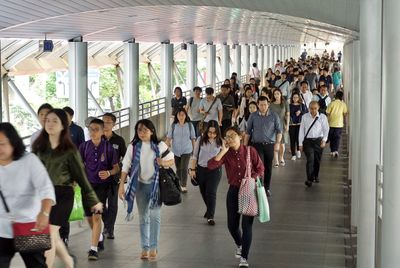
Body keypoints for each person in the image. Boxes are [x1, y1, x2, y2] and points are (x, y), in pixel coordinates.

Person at [32, 109, 102, 268]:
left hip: (63, 195)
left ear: (64, 125)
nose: (49, 123)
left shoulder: (70, 151)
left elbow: (82, 178)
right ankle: (69, 262)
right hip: (44, 197)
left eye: (54, 121)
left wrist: (94, 201)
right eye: (47, 120)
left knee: (49, 234)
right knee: (53, 234)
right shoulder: (38, 147)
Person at [0, 122, 55, 268]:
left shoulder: (29, 161)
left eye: (2, 144)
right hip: (1, 227)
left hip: (29, 224)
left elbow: (46, 189)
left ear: (13, 142)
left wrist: (44, 212)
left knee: (35, 265)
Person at [208, 126, 264, 268]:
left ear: (240, 136)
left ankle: (244, 257)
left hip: (249, 191)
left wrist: (251, 178)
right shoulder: (226, 154)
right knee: (232, 226)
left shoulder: (250, 151)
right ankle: (240, 244)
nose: (229, 139)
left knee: (246, 226)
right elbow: (211, 165)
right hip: (233, 191)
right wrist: (222, 151)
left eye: (232, 136)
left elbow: (261, 168)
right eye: (227, 136)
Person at [118, 119, 174, 261]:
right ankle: (145, 247)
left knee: (155, 216)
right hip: (139, 186)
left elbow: (172, 160)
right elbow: (125, 166)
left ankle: (153, 247)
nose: (142, 132)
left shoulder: (160, 145)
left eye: (145, 129)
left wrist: (163, 162)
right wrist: (121, 186)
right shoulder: (133, 147)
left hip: (156, 186)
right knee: (143, 217)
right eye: (139, 130)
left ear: (152, 130)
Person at [79, 119, 119, 260]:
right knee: (89, 217)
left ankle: (93, 249)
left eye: (96, 129)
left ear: (103, 131)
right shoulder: (84, 147)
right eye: (90, 129)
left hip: (102, 187)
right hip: (87, 186)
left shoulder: (108, 148)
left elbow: (116, 168)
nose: (92, 132)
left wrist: (109, 173)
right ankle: (100, 237)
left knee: (97, 216)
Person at [244, 96, 282, 197]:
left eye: (265, 104)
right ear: (257, 105)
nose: (263, 107)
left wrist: (277, 143)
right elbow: (247, 132)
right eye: (261, 105)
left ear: (268, 104)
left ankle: (267, 187)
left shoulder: (274, 116)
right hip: (256, 145)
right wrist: (244, 146)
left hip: (269, 145)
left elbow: (279, 131)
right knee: (259, 167)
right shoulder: (253, 116)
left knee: (268, 167)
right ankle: (259, 187)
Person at [60, 106, 85, 246]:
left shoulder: (78, 130)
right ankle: (59, 235)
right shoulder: (58, 129)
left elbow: (81, 149)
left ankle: (64, 236)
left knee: (65, 204)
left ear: (71, 116)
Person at [189, 120, 223, 226]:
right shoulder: (200, 140)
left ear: (217, 132)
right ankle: (209, 209)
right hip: (201, 169)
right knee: (204, 192)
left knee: (211, 192)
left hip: (215, 171)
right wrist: (192, 169)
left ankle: (210, 216)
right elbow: (194, 156)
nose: (212, 135)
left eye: (214, 132)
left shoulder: (221, 142)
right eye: (209, 132)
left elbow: (225, 155)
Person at [102, 113, 127, 240]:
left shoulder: (119, 140)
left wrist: (122, 171)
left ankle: (109, 229)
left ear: (113, 124)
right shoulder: (96, 138)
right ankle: (107, 224)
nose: (105, 124)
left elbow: (126, 157)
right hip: (98, 178)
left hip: (113, 177)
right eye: (103, 121)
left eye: (108, 122)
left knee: (112, 204)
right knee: (99, 204)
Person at [299, 101, 330, 187]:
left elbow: (326, 129)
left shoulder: (322, 117)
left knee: (317, 160)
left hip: (318, 141)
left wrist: (324, 140)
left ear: (318, 108)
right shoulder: (305, 117)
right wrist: (300, 144)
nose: (313, 110)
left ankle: (315, 175)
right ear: (309, 108)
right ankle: (309, 179)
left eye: (315, 108)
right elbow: (301, 130)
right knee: (310, 159)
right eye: (311, 108)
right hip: (308, 142)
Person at [166, 108, 196, 193]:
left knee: (184, 167)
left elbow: (193, 138)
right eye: (179, 115)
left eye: (183, 115)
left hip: (187, 150)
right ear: (177, 116)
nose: (181, 117)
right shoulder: (173, 125)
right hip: (176, 150)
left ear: (186, 115)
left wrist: (195, 151)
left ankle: (183, 185)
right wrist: (164, 149)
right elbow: (168, 138)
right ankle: (179, 182)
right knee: (178, 168)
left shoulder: (190, 125)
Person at [269, 89, 290, 167]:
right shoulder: (271, 104)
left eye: (278, 94)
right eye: (275, 94)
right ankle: (276, 160)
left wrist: (287, 125)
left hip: (282, 124)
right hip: (273, 125)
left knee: (282, 144)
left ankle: (281, 157)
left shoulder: (285, 103)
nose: (276, 96)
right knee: (275, 143)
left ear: (281, 94)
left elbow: (287, 114)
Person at [326, 91, 348, 158]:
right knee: (337, 138)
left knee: (332, 137)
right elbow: (345, 113)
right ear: (341, 96)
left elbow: (327, 112)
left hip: (331, 123)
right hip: (339, 124)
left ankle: (332, 151)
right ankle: (336, 150)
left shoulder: (332, 103)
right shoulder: (343, 104)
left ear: (335, 96)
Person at [289, 92, 307, 160]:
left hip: (300, 124)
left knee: (299, 138)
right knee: (292, 140)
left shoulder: (302, 105)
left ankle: (298, 150)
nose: (295, 99)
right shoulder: (290, 105)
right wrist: (294, 115)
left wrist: (300, 112)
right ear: (292, 98)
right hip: (292, 124)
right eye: (294, 97)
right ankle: (293, 154)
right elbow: (288, 114)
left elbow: (305, 113)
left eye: (296, 97)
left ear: (299, 98)